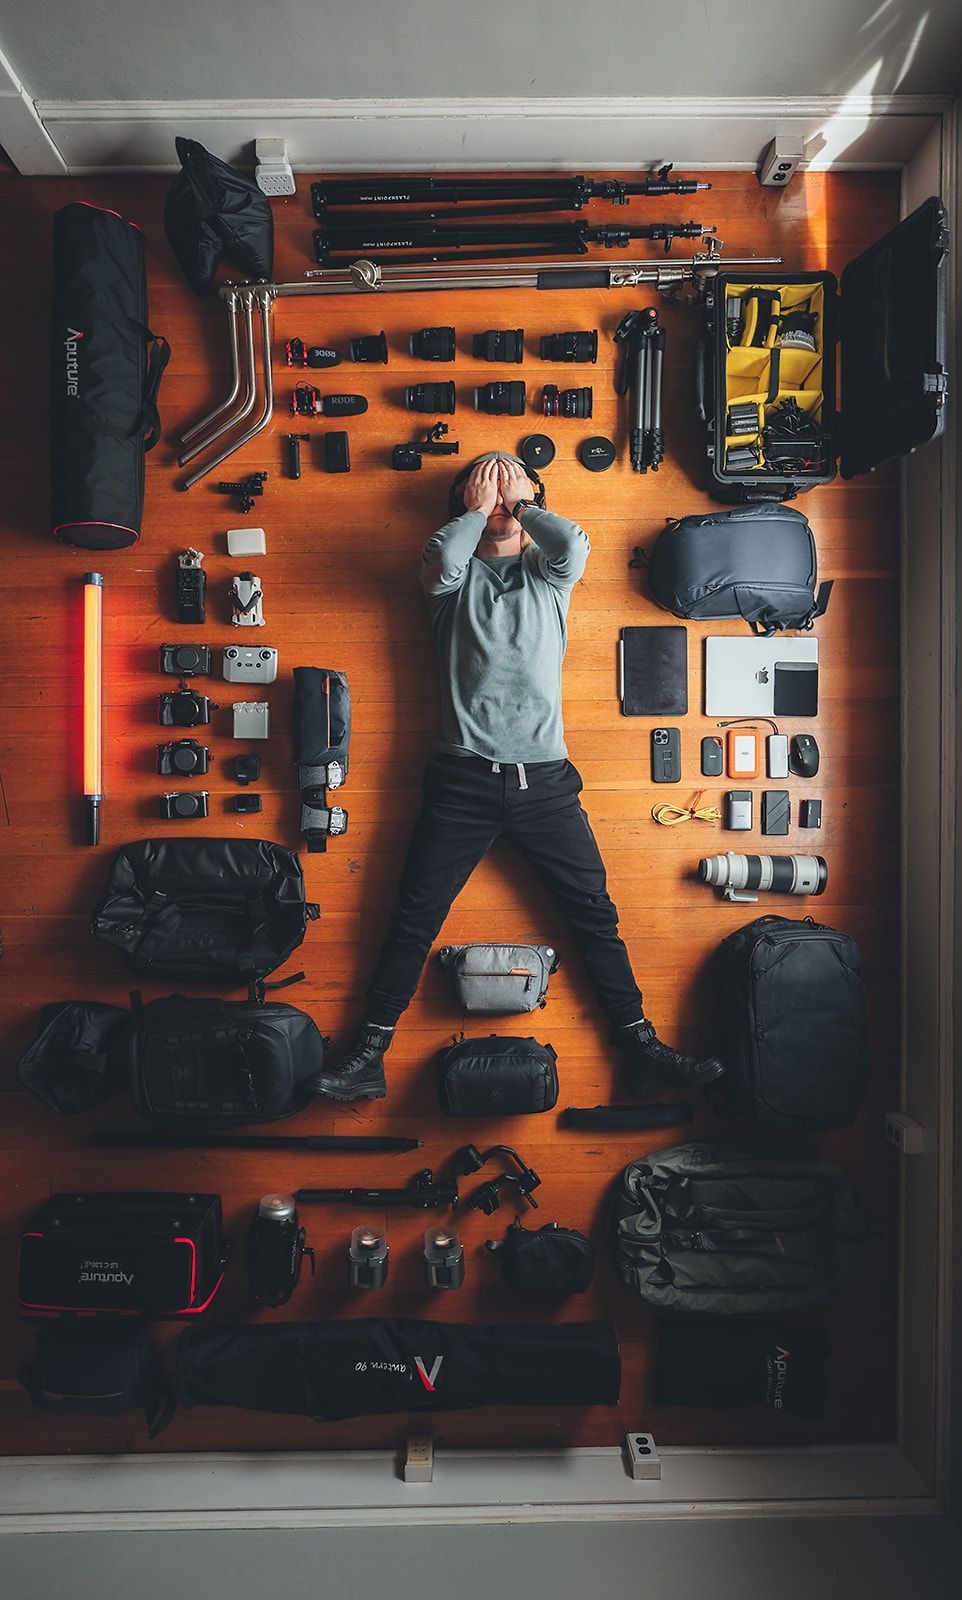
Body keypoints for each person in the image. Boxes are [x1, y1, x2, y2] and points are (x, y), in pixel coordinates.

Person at [309, 452, 723, 1101]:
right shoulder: (449, 582)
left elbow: (577, 545)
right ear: (467, 507)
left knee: (594, 917)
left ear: (533, 501)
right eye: (487, 486)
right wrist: (478, 510)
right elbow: (442, 559)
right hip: (462, 779)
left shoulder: (549, 575)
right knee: (413, 918)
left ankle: (638, 1044)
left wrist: (522, 503)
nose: (501, 495)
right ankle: (367, 1055)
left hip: (547, 784)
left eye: (513, 486)